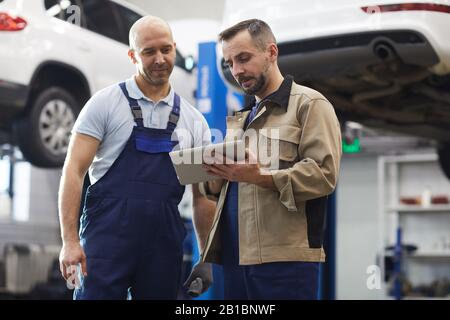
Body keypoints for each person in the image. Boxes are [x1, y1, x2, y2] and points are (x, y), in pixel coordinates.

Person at [57, 15, 215, 300]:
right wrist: (69, 241)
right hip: (105, 244)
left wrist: (204, 258)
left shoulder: (192, 122)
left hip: (162, 247)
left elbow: (201, 196)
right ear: (132, 55)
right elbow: (74, 171)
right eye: (149, 52)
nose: (159, 59)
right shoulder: (105, 105)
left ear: (175, 49)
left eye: (166, 50)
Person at [185, 19, 342, 300]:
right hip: (235, 259)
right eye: (230, 62)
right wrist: (209, 174)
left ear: (271, 52)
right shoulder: (241, 120)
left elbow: (324, 175)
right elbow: (228, 189)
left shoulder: (310, 105)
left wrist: (261, 176)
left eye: (244, 58)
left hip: (285, 260)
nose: (237, 70)